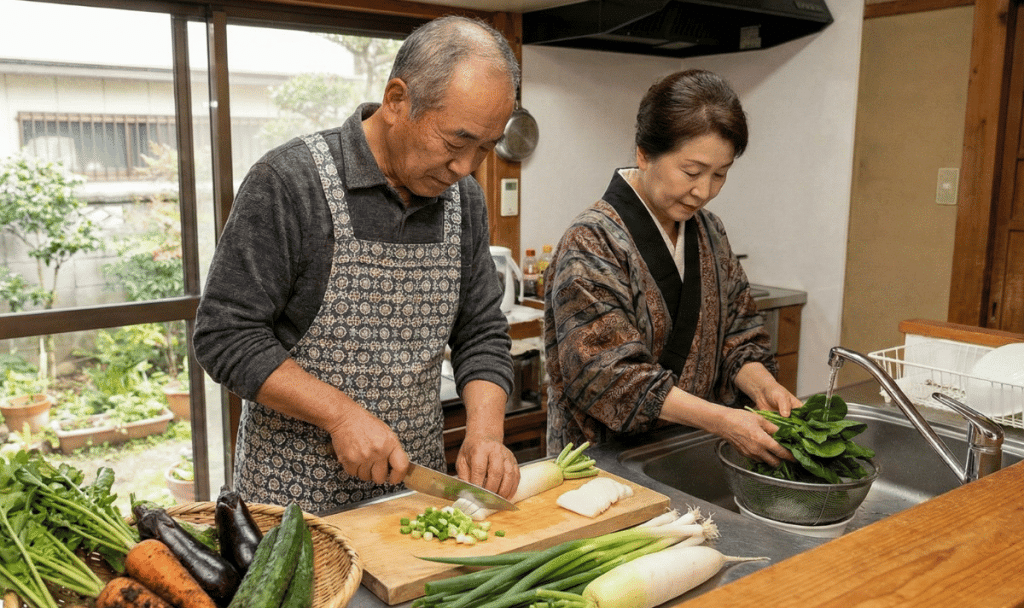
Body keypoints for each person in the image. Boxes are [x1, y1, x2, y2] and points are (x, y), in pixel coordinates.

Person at [194, 16, 522, 514]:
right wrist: (341, 416)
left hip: (413, 495)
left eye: (485, 147)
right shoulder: (290, 182)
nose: (466, 167)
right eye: (457, 143)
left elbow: (480, 330)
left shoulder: (464, 201)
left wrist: (485, 434)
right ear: (397, 101)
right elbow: (225, 335)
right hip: (292, 503)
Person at [543, 69, 801, 466]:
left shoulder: (709, 231)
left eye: (720, 174)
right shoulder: (591, 240)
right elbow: (611, 377)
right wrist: (723, 421)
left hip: (689, 452)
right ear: (644, 154)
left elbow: (738, 332)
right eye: (692, 171)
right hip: (603, 467)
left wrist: (764, 386)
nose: (704, 191)